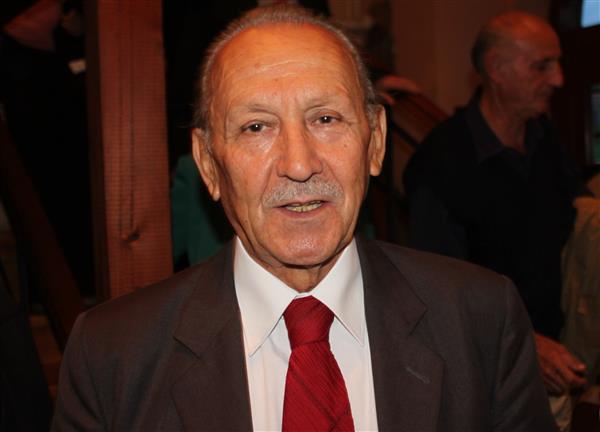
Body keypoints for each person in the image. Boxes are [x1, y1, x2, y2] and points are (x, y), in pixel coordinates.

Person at [52, 6, 556, 431]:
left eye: (325, 119)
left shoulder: (482, 320)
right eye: (256, 127)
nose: (299, 163)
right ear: (207, 164)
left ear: (375, 142)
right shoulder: (112, 355)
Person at [403, 10, 588, 426]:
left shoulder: (544, 139)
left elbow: (579, 226)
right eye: (542, 66)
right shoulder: (441, 163)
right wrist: (525, 340)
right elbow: (433, 286)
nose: (559, 80)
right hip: (486, 374)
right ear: (497, 69)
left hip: (558, 363)